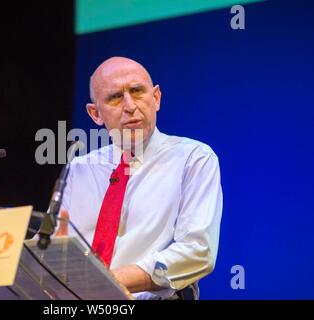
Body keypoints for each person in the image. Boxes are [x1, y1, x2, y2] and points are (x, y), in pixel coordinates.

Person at [57, 56, 223, 300]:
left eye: (137, 91)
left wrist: (105, 283)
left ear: (155, 98)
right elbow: (57, 251)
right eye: (114, 97)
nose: (129, 105)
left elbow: (197, 251)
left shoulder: (193, 158)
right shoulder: (80, 169)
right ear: (95, 114)